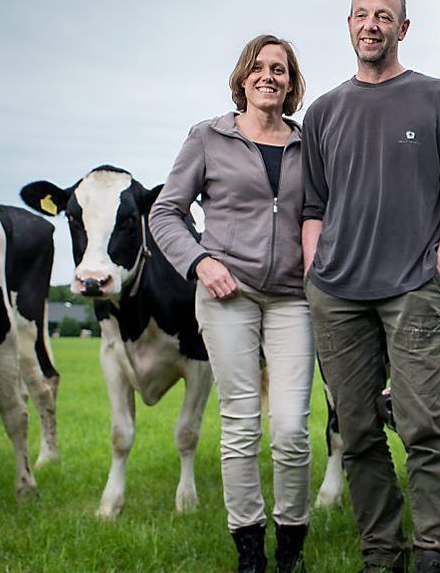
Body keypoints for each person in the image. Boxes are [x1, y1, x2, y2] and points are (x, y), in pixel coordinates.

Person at [301, 0, 440, 573]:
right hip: (337, 294)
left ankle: (439, 552)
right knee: (355, 435)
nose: (370, 24)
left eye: (383, 16)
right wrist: (313, 275)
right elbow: (313, 207)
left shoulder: (439, 100)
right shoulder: (324, 110)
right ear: (348, 25)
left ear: (402, 29)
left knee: (424, 426)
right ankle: (382, 554)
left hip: (411, 288)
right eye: (360, 14)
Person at [150, 34, 314, 573]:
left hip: (294, 299)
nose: (270, 76)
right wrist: (200, 262)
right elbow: (165, 213)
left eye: (281, 70)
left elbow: (325, 215)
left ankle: (290, 549)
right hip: (228, 295)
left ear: (291, 84)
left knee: (290, 427)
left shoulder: (308, 142)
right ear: (244, 76)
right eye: (261, 67)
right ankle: (249, 552)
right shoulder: (208, 137)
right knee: (242, 423)